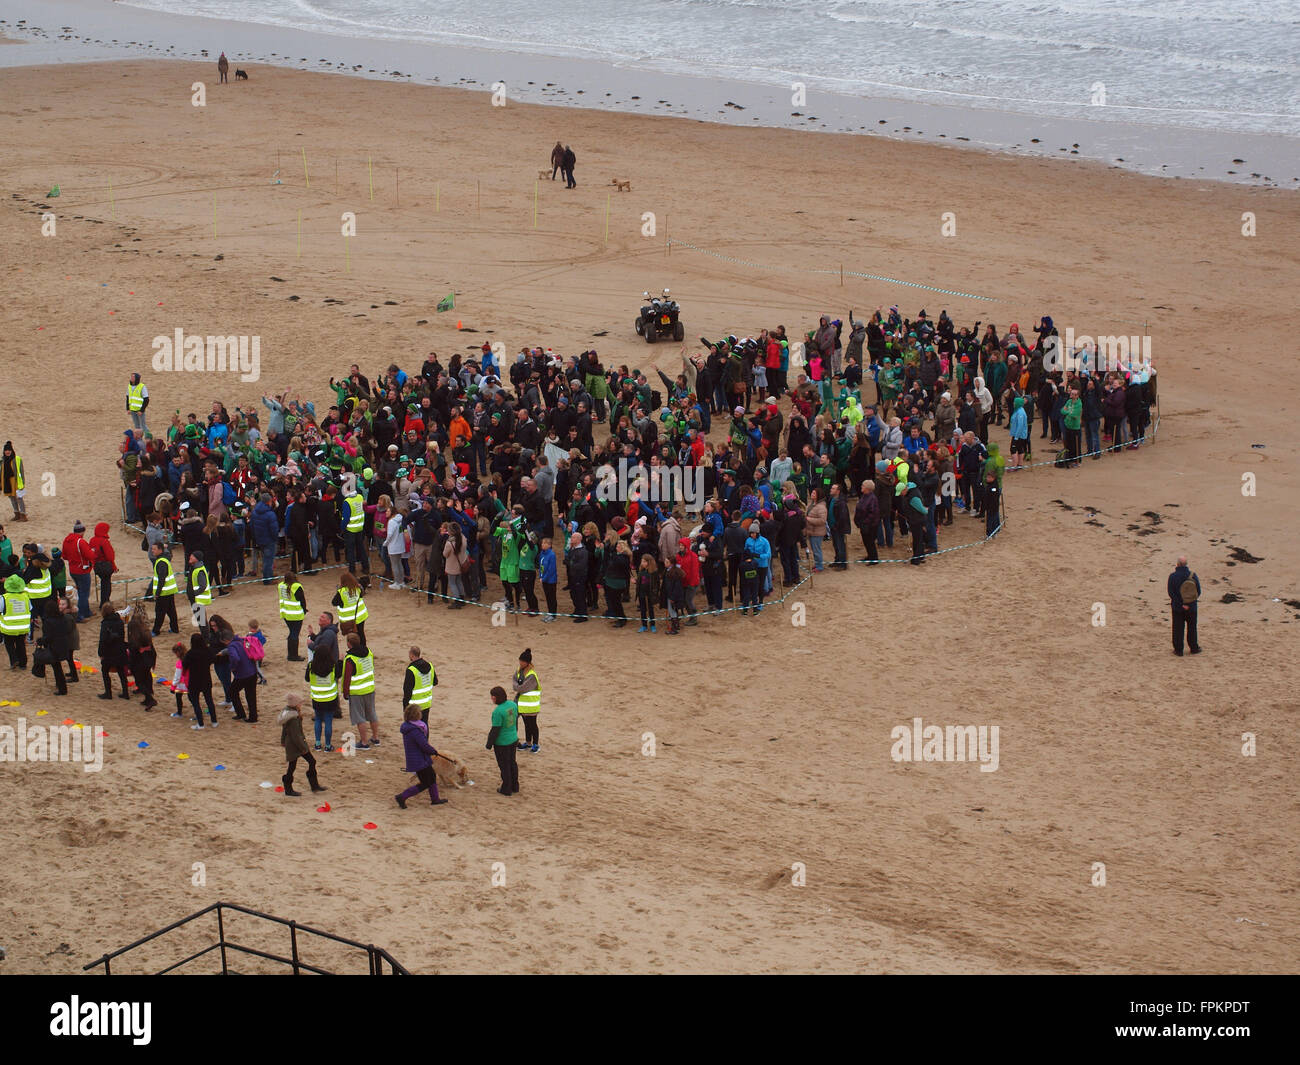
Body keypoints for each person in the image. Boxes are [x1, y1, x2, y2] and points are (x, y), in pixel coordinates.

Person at [395, 705, 449, 809]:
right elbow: (423, 745)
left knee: (432, 777)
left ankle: (435, 799)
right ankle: (402, 796)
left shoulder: (409, 726)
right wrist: (433, 751)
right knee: (426, 782)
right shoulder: (415, 730)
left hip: (418, 759)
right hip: (420, 760)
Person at [279, 694, 326, 797]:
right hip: (295, 745)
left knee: (298, 765)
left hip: (292, 743)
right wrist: (303, 748)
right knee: (294, 766)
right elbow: (296, 735)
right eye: (300, 703)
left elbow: (284, 730)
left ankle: (313, 785)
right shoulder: (293, 718)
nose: (301, 705)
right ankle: (290, 788)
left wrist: (283, 741)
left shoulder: (288, 713)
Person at [342, 631, 380, 749]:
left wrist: (345, 692)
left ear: (349, 644)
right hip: (369, 688)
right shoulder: (368, 652)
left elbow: (347, 678)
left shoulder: (350, 659)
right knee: (372, 714)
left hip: (357, 692)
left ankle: (364, 742)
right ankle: (375, 737)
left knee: (360, 718)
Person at [218, 626, 259, 722]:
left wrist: (232, 667)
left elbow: (235, 658)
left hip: (242, 674)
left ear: (226, 640)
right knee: (251, 695)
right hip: (252, 672)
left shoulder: (232, 646)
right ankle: (253, 717)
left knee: (232, 692)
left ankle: (240, 713)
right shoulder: (242, 641)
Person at [485, 685, 519, 796]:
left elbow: (495, 730)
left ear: (495, 698)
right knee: (512, 763)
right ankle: (515, 786)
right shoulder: (513, 705)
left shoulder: (498, 712)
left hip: (502, 743)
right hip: (513, 738)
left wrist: (489, 744)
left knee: (504, 766)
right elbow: (515, 720)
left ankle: (506, 788)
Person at [1168, 555, 1202, 656]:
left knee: (1178, 628)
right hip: (1192, 607)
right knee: (1192, 628)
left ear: (1177, 564)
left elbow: (1171, 593)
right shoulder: (1193, 575)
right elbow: (1198, 591)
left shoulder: (1173, 576)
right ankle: (1194, 648)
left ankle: (1178, 650)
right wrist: (1188, 604)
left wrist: (1181, 604)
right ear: (1186, 564)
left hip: (1177, 608)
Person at [183, 632, 218, 728]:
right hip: (206, 678)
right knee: (209, 700)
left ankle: (200, 724)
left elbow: (184, 666)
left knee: (195, 702)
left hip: (194, 680)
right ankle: (214, 721)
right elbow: (214, 659)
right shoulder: (208, 651)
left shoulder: (190, 654)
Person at [96, 601, 130, 700]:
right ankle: (125, 692)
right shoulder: (120, 622)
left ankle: (108, 693)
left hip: (109, 653)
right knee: (121, 672)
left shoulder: (105, 624)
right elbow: (122, 636)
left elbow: (102, 640)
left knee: (105, 671)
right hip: (120, 651)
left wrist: (100, 653)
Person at [62, 521, 95, 622]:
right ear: (82, 531)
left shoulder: (66, 540)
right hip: (82, 570)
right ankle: (80, 616)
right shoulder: (80, 542)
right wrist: (93, 552)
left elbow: (64, 556)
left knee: (81, 591)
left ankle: (86, 611)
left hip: (73, 570)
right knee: (84, 594)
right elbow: (90, 555)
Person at [37, 599, 71, 695]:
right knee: (57, 667)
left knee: (57, 668)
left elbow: (48, 637)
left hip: (54, 647)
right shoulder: (62, 618)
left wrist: (40, 641)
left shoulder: (48, 621)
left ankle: (62, 688)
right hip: (63, 645)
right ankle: (60, 685)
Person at [147, 541, 180, 636]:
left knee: (160, 612)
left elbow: (162, 579)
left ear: (160, 550)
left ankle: (155, 631)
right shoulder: (164, 559)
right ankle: (174, 628)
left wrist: (157, 593)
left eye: (154, 549)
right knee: (171, 611)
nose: (152, 551)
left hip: (164, 592)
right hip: (169, 591)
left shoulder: (161, 562)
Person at [513, 648, 541, 753]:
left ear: (527, 662)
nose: (520, 663)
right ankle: (528, 742)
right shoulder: (519, 671)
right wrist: (517, 686)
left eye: (522, 661)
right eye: (520, 661)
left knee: (532, 724)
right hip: (523, 704)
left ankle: (536, 744)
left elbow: (521, 688)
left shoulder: (532, 675)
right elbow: (514, 681)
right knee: (526, 724)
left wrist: (517, 686)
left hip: (532, 704)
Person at [0, 574, 30, 670]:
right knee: (21, 644)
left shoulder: (3, 598)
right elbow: (30, 609)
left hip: (8, 628)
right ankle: (23, 664)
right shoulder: (26, 597)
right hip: (22, 627)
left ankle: (14, 660)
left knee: (9, 644)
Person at [403, 645, 437, 726]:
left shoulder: (411, 670)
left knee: (413, 727)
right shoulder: (430, 666)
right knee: (424, 725)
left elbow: (407, 690)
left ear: (411, 655)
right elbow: (435, 682)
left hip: (414, 707)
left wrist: (405, 706)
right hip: (426, 703)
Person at [277, 570, 307, 661]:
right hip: (296, 615)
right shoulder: (296, 586)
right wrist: (304, 610)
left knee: (292, 633)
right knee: (294, 634)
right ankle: (293, 655)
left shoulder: (281, 585)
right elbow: (302, 600)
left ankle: (291, 654)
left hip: (286, 614)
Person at [332, 571, 368, 644]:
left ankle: (356, 650)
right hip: (361, 616)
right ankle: (363, 649)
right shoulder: (357, 588)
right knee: (361, 633)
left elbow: (334, 602)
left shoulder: (341, 592)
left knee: (352, 637)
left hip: (349, 619)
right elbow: (361, 595)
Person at [89, 521, 117, 607]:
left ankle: (104, 602)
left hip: (97, 566)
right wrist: (114, 566)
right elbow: (110, 556)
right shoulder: (104, 541)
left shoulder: (92, 540)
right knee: (106, 585)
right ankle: (104, 603)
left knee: (104, 583)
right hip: (105, 566)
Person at [186, 550, 213, 630]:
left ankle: (206, 638)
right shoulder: (194, 568)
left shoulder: (198, 570)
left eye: (193, 556)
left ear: (197, 559)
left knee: (201, 621)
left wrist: (194, 594)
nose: (190, 556)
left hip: (198, 599)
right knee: (201, 620)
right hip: (196, 598)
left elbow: (203, 586)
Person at [1, 442, 26, 522]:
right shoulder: (2, 460)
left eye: (9, 450)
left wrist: (22, 482)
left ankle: (23, 515)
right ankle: (17, 514)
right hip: (7, 482)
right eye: (6, 450)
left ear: (12, 450)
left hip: (16, 481)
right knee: (11, 498)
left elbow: (21, 472)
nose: (7, 452)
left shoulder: (17, 459)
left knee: (19, 498)